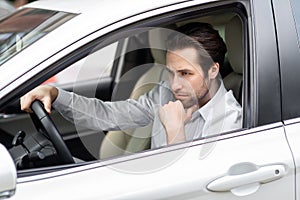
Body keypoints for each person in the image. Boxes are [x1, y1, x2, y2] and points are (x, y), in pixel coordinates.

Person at [21, 22, 242, 149]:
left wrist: (175, 132)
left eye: (185, 74)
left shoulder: (230, 121)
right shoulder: (165, 94)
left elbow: (194, 186)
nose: (175, 85)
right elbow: (108, 115)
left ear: (213, 69)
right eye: (170, 72)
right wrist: (56, 94)